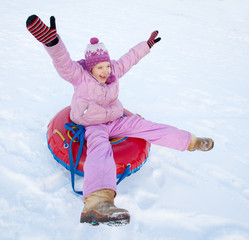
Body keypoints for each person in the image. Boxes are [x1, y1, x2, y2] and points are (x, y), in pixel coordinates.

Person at [26, 15, 214, 226]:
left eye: (107, 66)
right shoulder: (79, 76)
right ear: (90, 68)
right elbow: (63, 63)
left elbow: (130, 58)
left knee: (146, 126)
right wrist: (53, 43)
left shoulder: (113, 71)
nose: (105, 72)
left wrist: (147, 45)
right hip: (92, 124)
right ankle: (97, 204)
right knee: (99, 147)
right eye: (100, 68)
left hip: (115, 119)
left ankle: (191, 142)